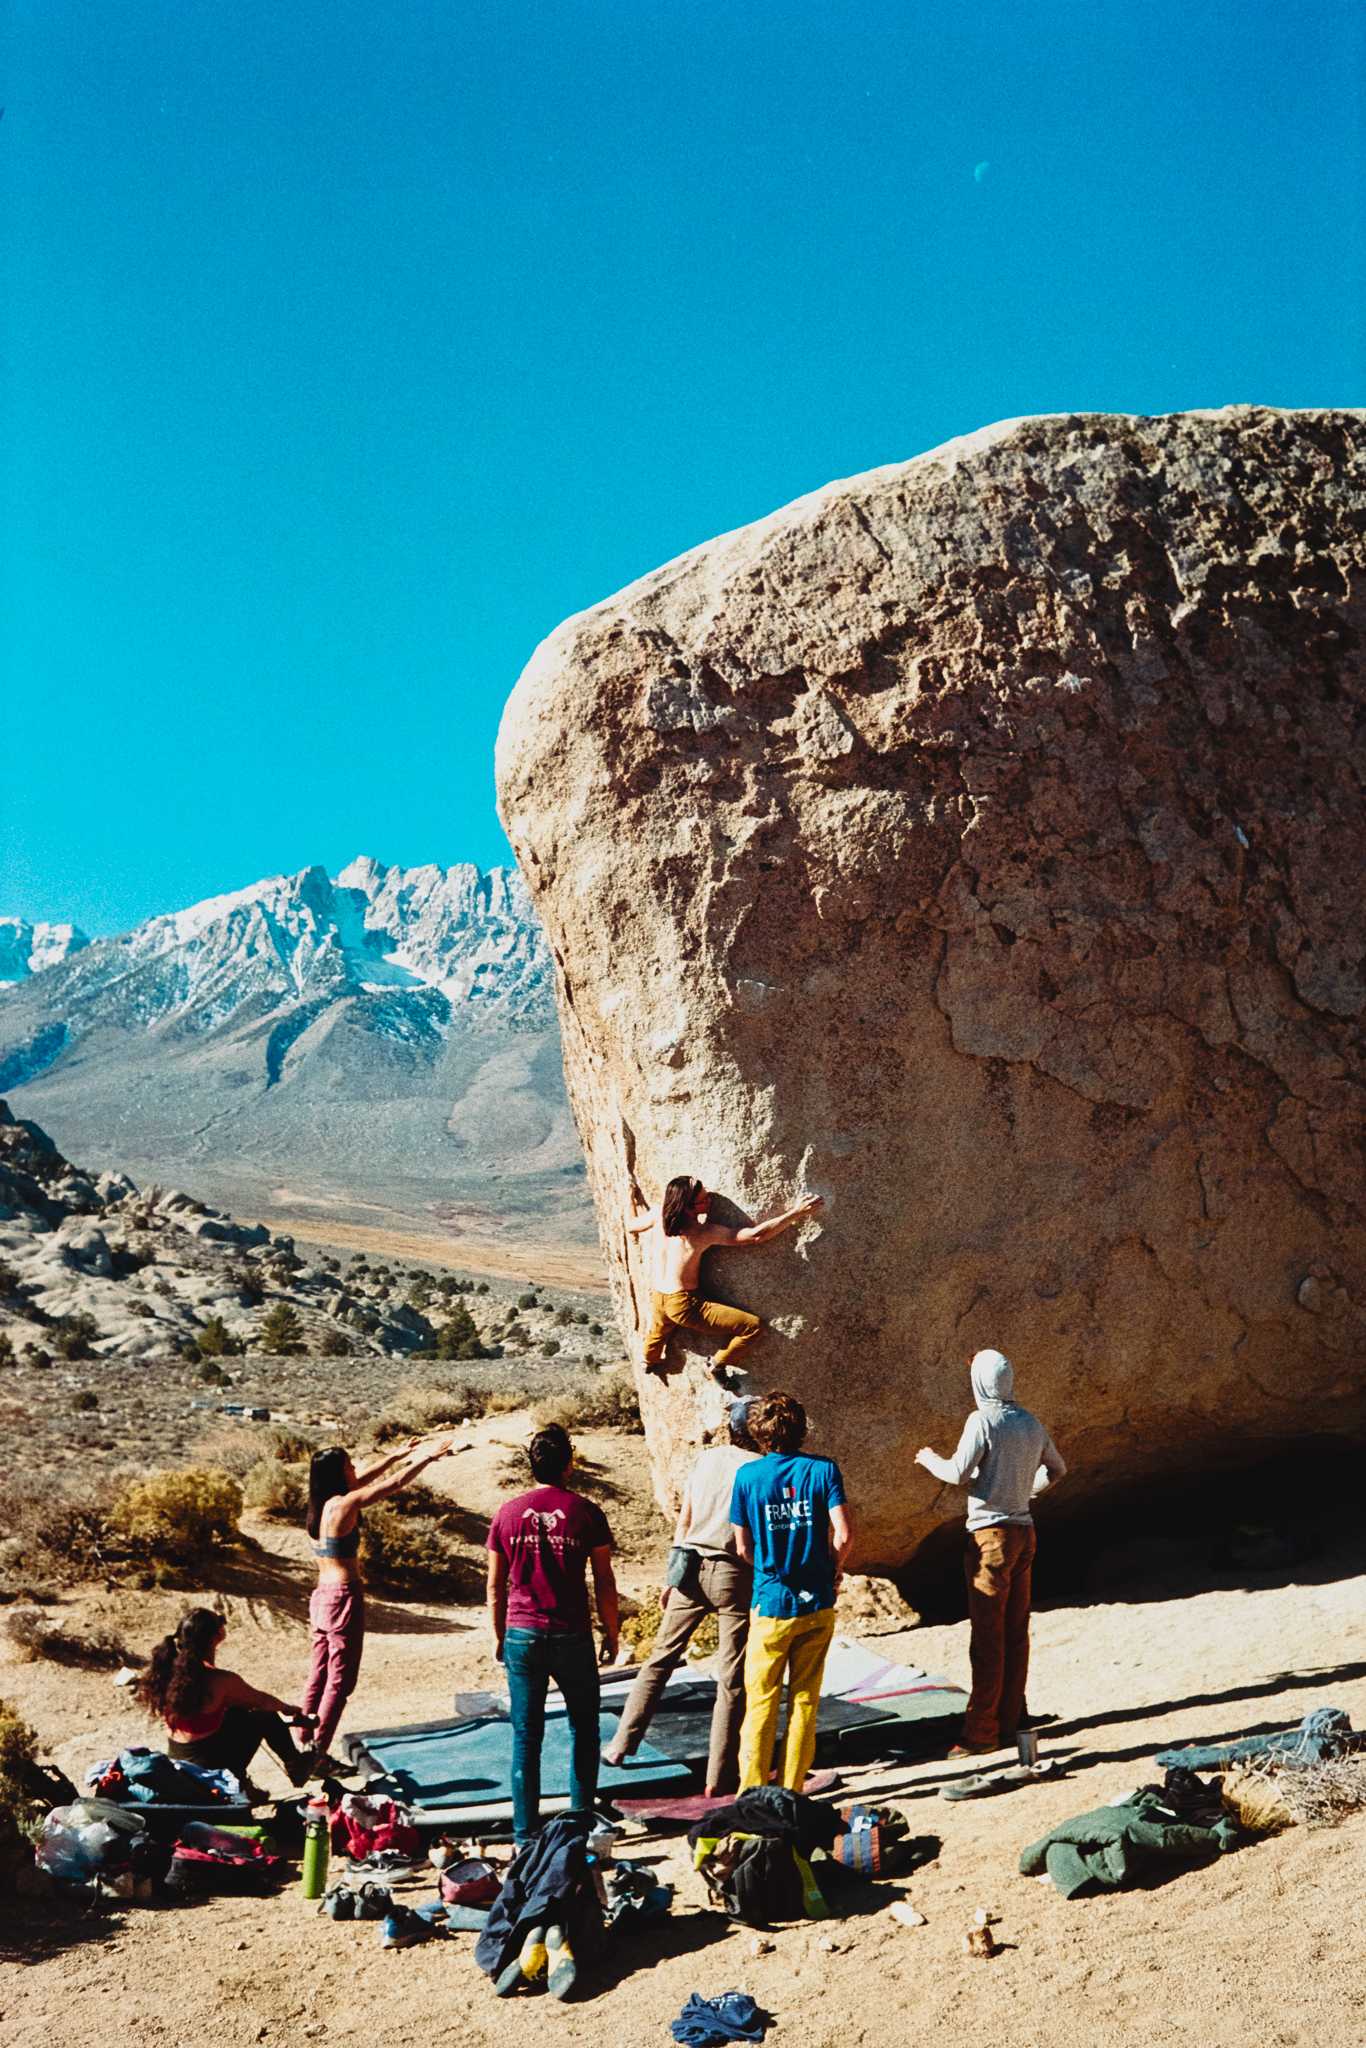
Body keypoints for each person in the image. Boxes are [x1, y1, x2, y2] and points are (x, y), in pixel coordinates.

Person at [602, 1397, 759, 1795]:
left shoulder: (707, 1460)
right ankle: (719, 1777)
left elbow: (684, 1520)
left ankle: (621, 1745)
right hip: (732, 1572)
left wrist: (671, 1578)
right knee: (731, 1679)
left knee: (659, 1660)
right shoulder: (759, 1469)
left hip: (690, 1566)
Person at [915, 1347, 1066, 1757]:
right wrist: (1027, 1491)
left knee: (987, 1637)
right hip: (1024, 1531)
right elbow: (1058, 1469)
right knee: (1016, 1632)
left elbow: (957, 1473)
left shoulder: (982, 1421)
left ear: (980, 1382)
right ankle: (1013, 1719)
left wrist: (929, 1459)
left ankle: (981, 1733)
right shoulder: (1030, 1423)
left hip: (990, 1537)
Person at [486, 1422, 620, 1847]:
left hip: (522, 1633)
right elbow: (604, 1580)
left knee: (527, 1737)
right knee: (584, 1728)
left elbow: (494, 1585)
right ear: (569, 1464)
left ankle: (525, 1836)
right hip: (571, 1634)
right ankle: (578, 1826)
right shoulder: (586, 1512)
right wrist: (611, 1631)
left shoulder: (507, 1514)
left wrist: (498, 1634)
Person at [304, 1433, 463, 1769]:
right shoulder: (345, 1505)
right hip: (342, 1597)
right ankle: (317, 1755)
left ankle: (301, 1743)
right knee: (339, 1682)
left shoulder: (323, 1506)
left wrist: (397, 1453)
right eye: (349, 1465)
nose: (355, 1468)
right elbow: (392, 1485)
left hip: (320, 1598)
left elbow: (366, 1480)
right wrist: (428, 1458)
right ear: (338, 1473)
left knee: (318, 1675)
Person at [729, 1390, 853, 1792]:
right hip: (816, 1601)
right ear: (800, 1428)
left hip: (771, 1602)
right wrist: (834, 1568)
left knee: (761, 1702)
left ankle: (753, 1792)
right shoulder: (823, 1470)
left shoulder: (748, 1477)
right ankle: (794, 1787)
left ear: (759, 1433)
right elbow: (845, 1532)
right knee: (804, 1700)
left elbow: (743, 1546)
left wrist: (767, 1568)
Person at [628, 1173, 823, 1382]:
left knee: (658, 1332)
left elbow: (631, 1225)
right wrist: (796, 1213)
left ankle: (649, 1360)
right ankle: (717, 1364)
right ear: (688, 1207)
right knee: (752, 1327)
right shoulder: (701, 1233)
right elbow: (755, 1236)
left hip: (659, 1297)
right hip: (684, 1304)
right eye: (703, 1199)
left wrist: (631, 1198)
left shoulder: (657, 1215)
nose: (709, 1200)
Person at [135, 1606, 314, 1791]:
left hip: (179, 1759)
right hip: (209, 1765)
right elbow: (263, 1702)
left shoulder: (168, 1673)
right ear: (216, 1636)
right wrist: (287, 1708)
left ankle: (245, 1784)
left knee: (237, 1711)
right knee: (263, 1716)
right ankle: (295, 1765)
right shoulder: (220, 1680)